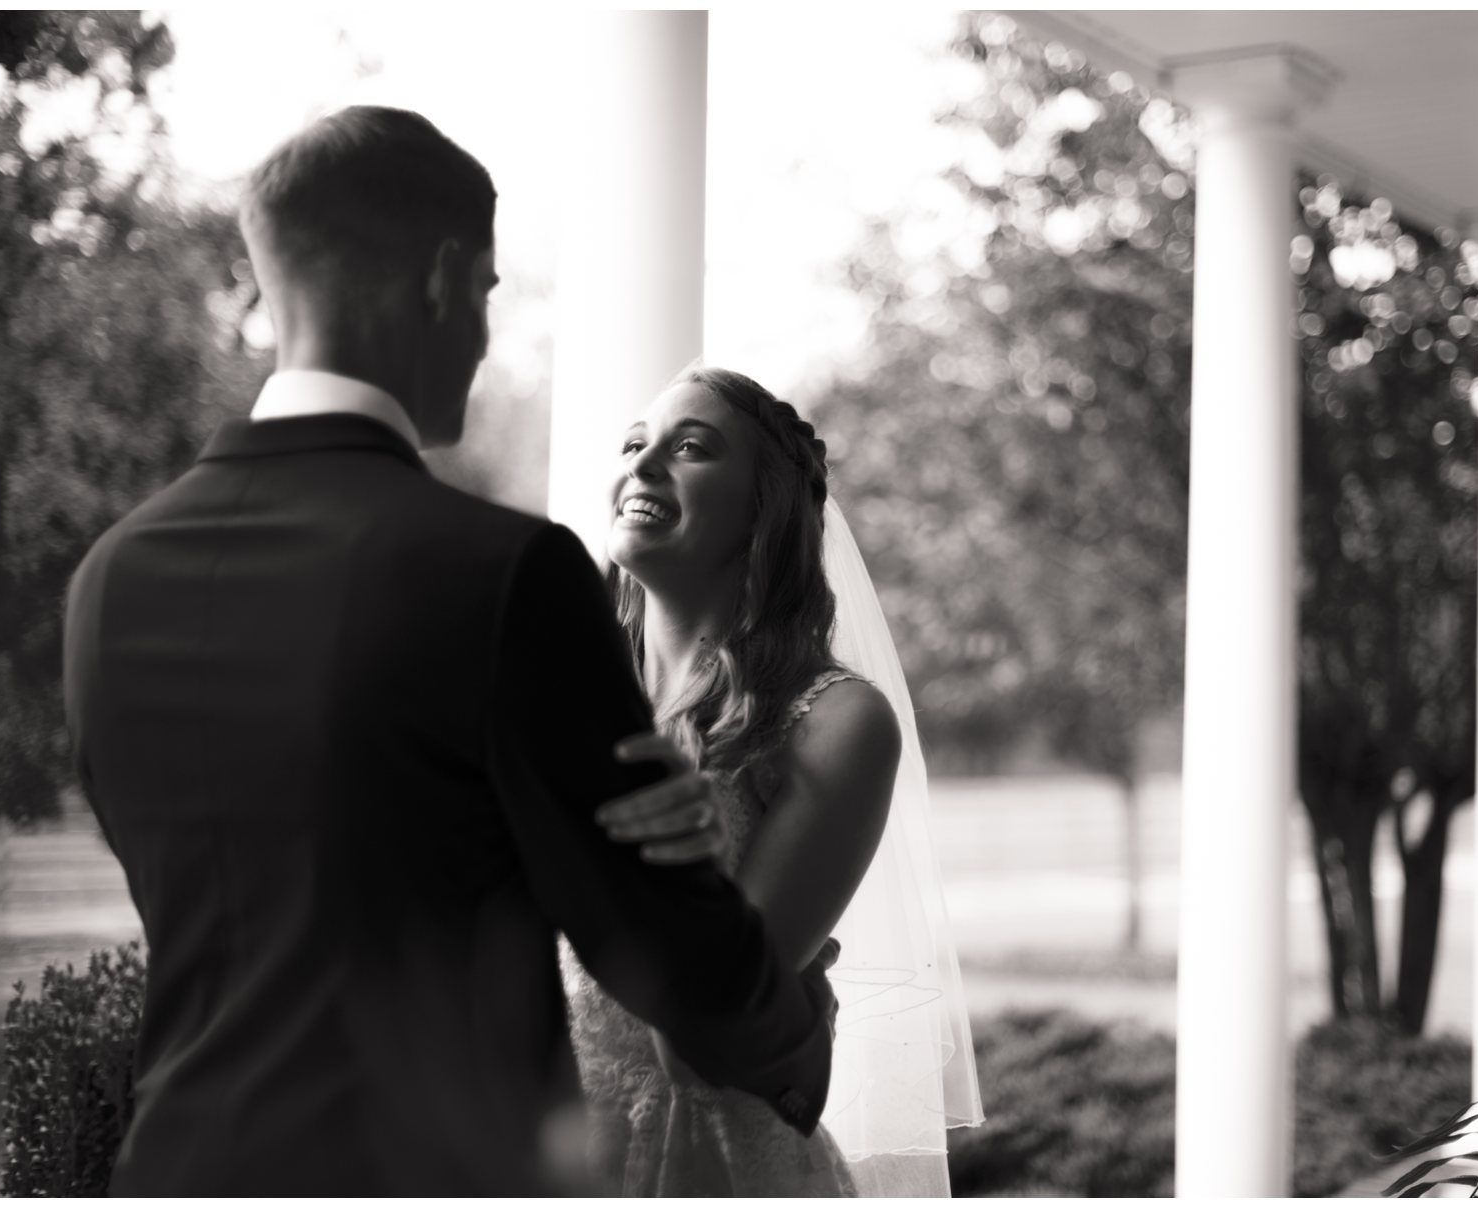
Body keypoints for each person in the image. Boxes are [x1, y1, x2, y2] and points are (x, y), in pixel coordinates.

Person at [60, 106, 834, 1196]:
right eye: (484, 294)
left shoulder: (108, 579)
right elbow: (668, 957)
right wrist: (804, 1017)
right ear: (439, 277)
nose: (480, 333)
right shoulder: (505, 574)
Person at [562, 366, 983, 1196]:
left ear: (764, 510)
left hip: (706, 1162)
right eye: (633, 445)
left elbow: (700, 1035)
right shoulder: (563, 700)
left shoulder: (835, 724)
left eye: (690, 449)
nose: (643, 466)